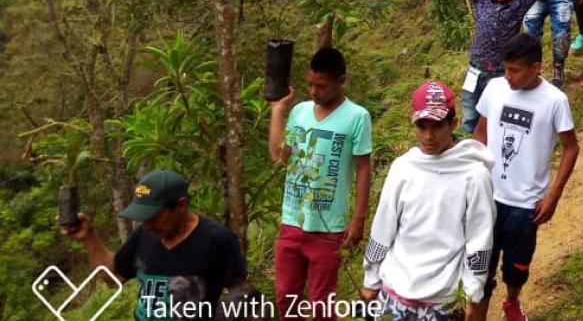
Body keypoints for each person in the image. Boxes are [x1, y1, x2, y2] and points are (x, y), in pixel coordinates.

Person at [361, 80, 495, 321]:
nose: (428, 136)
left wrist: (473, 292)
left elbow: (479, 238)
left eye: (437, 126)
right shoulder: (403, 168)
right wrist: (371, 277)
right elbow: (383, 225)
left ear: (453, 123)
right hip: (395, 289)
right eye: (422, 127)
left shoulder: (474, 175)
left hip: (442, 299)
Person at [470, 35, 579, 321]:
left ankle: (511, 301)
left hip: (526, 203)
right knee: (481, 266)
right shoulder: (494, 88)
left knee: (517, 265)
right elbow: (481, 131)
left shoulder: (555, 100)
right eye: (505, 69)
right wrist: (472, 175)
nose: (507, 76)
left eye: (515, 70)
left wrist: (553, 196)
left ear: (536, 67)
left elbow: (571, 147)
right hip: (488, 196)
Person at [268, 47, 372, 321]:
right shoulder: (300, 112)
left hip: (328, 226)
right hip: (292, 220)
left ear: (341, 81)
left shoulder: (357, 116)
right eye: (310, 85)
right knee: (286, 299)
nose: (314, 92)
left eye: (321, 86)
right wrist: (278, 110)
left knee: (321, 303)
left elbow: (363, 168)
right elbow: (279, 155)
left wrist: (359, 218)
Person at [60, 169, 248, 321]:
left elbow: (241, 293)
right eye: (143, 218)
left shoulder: (217, 239)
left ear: (181, 206)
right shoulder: (145, 234)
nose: (147, 225)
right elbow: (113, 277)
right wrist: (89, 236)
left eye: (153, 217)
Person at [458, 0, 546, 133]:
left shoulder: (518, 4)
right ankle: (465, 154)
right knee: (469, 116)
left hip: (500, 73)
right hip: (475, 69)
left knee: (495, 118)